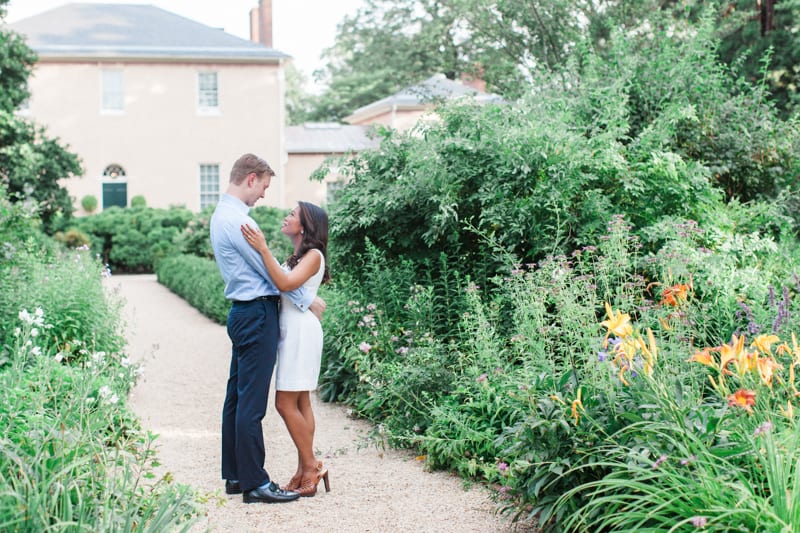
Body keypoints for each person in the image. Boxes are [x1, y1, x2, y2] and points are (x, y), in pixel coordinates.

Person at [209, 153, 324, 504]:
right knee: (252, 403)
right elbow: (272, 275)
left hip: (243, 313)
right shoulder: (241, 223)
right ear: (251, 178)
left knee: (237, 397)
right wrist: (307, 299)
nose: (263, 195)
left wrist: (301, 295)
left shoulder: (221, 216)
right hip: (257, 314)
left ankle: (236, 475)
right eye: (264, 187)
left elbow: (274, 272)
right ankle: (255, 482)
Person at [241, 200, 331, 497]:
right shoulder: (296, 256)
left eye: (292, 214)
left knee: (284, 403)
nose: (286, 216)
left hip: (300, 333)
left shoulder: (314, 255)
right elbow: (282, 284)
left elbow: (283, 281)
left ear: (304, 226)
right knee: (301, 401)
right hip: (293, 330)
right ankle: (304, 468)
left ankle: (312, 466)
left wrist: (263, 249)